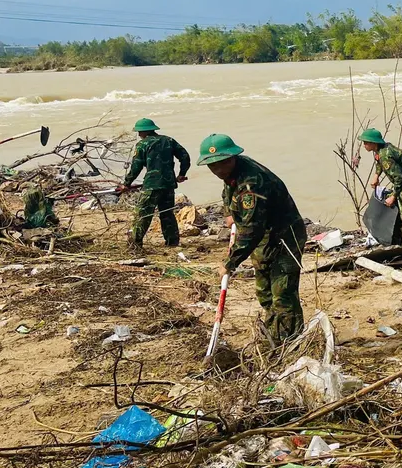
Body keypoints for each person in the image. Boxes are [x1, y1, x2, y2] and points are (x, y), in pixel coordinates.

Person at [198, 134, 307, 348]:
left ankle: (290, 343)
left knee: (282, 294)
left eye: (222, 163)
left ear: (232, 158)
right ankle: (274, 333)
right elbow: (228, 191)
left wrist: (230, 262)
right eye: (212, 165)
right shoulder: (233, 173)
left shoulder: (252, 183)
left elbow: (251, 231)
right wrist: (230, 213)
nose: (217, 169)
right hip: (264, 238)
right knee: (264, 292)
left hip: (285, 238)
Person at [120, 118, 190, 249]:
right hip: (168, 185)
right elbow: (185, 156)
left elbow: (136, 166)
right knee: (167, 214)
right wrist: (182, 174)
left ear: (145, 132)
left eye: (139, 132)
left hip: (152, 185)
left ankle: (135, 244)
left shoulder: (142, 144)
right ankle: (172, 242)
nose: (139, 134)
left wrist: (127, 183)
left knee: (143, 214)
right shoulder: (168, 140)